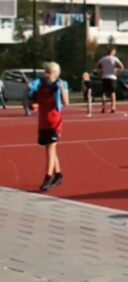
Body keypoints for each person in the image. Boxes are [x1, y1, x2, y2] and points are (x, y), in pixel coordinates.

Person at [27, 61, 69, 191]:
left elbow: (66, 103)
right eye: (44, 71)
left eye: (48, 72)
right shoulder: (39, 85)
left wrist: (62, 89)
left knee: (50, 150)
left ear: (56, 74)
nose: (45, 74)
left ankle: (48, 177)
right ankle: (58, 174)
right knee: (50, 149)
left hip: (54, 122)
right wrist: (32, 105)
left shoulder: (58, 86)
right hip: (43, 121)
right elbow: (34, 103)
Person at [95, 47, 124, 114]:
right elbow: (122, 67)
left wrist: (101, 71)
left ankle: (103, 107)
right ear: (112, 52)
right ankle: (113, 107)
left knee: (104, 93)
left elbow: (97, 66)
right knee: (112, 92)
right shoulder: (114, 58)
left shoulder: (103, 59)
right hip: (112, 77)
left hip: (104, 77)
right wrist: (117, 71)